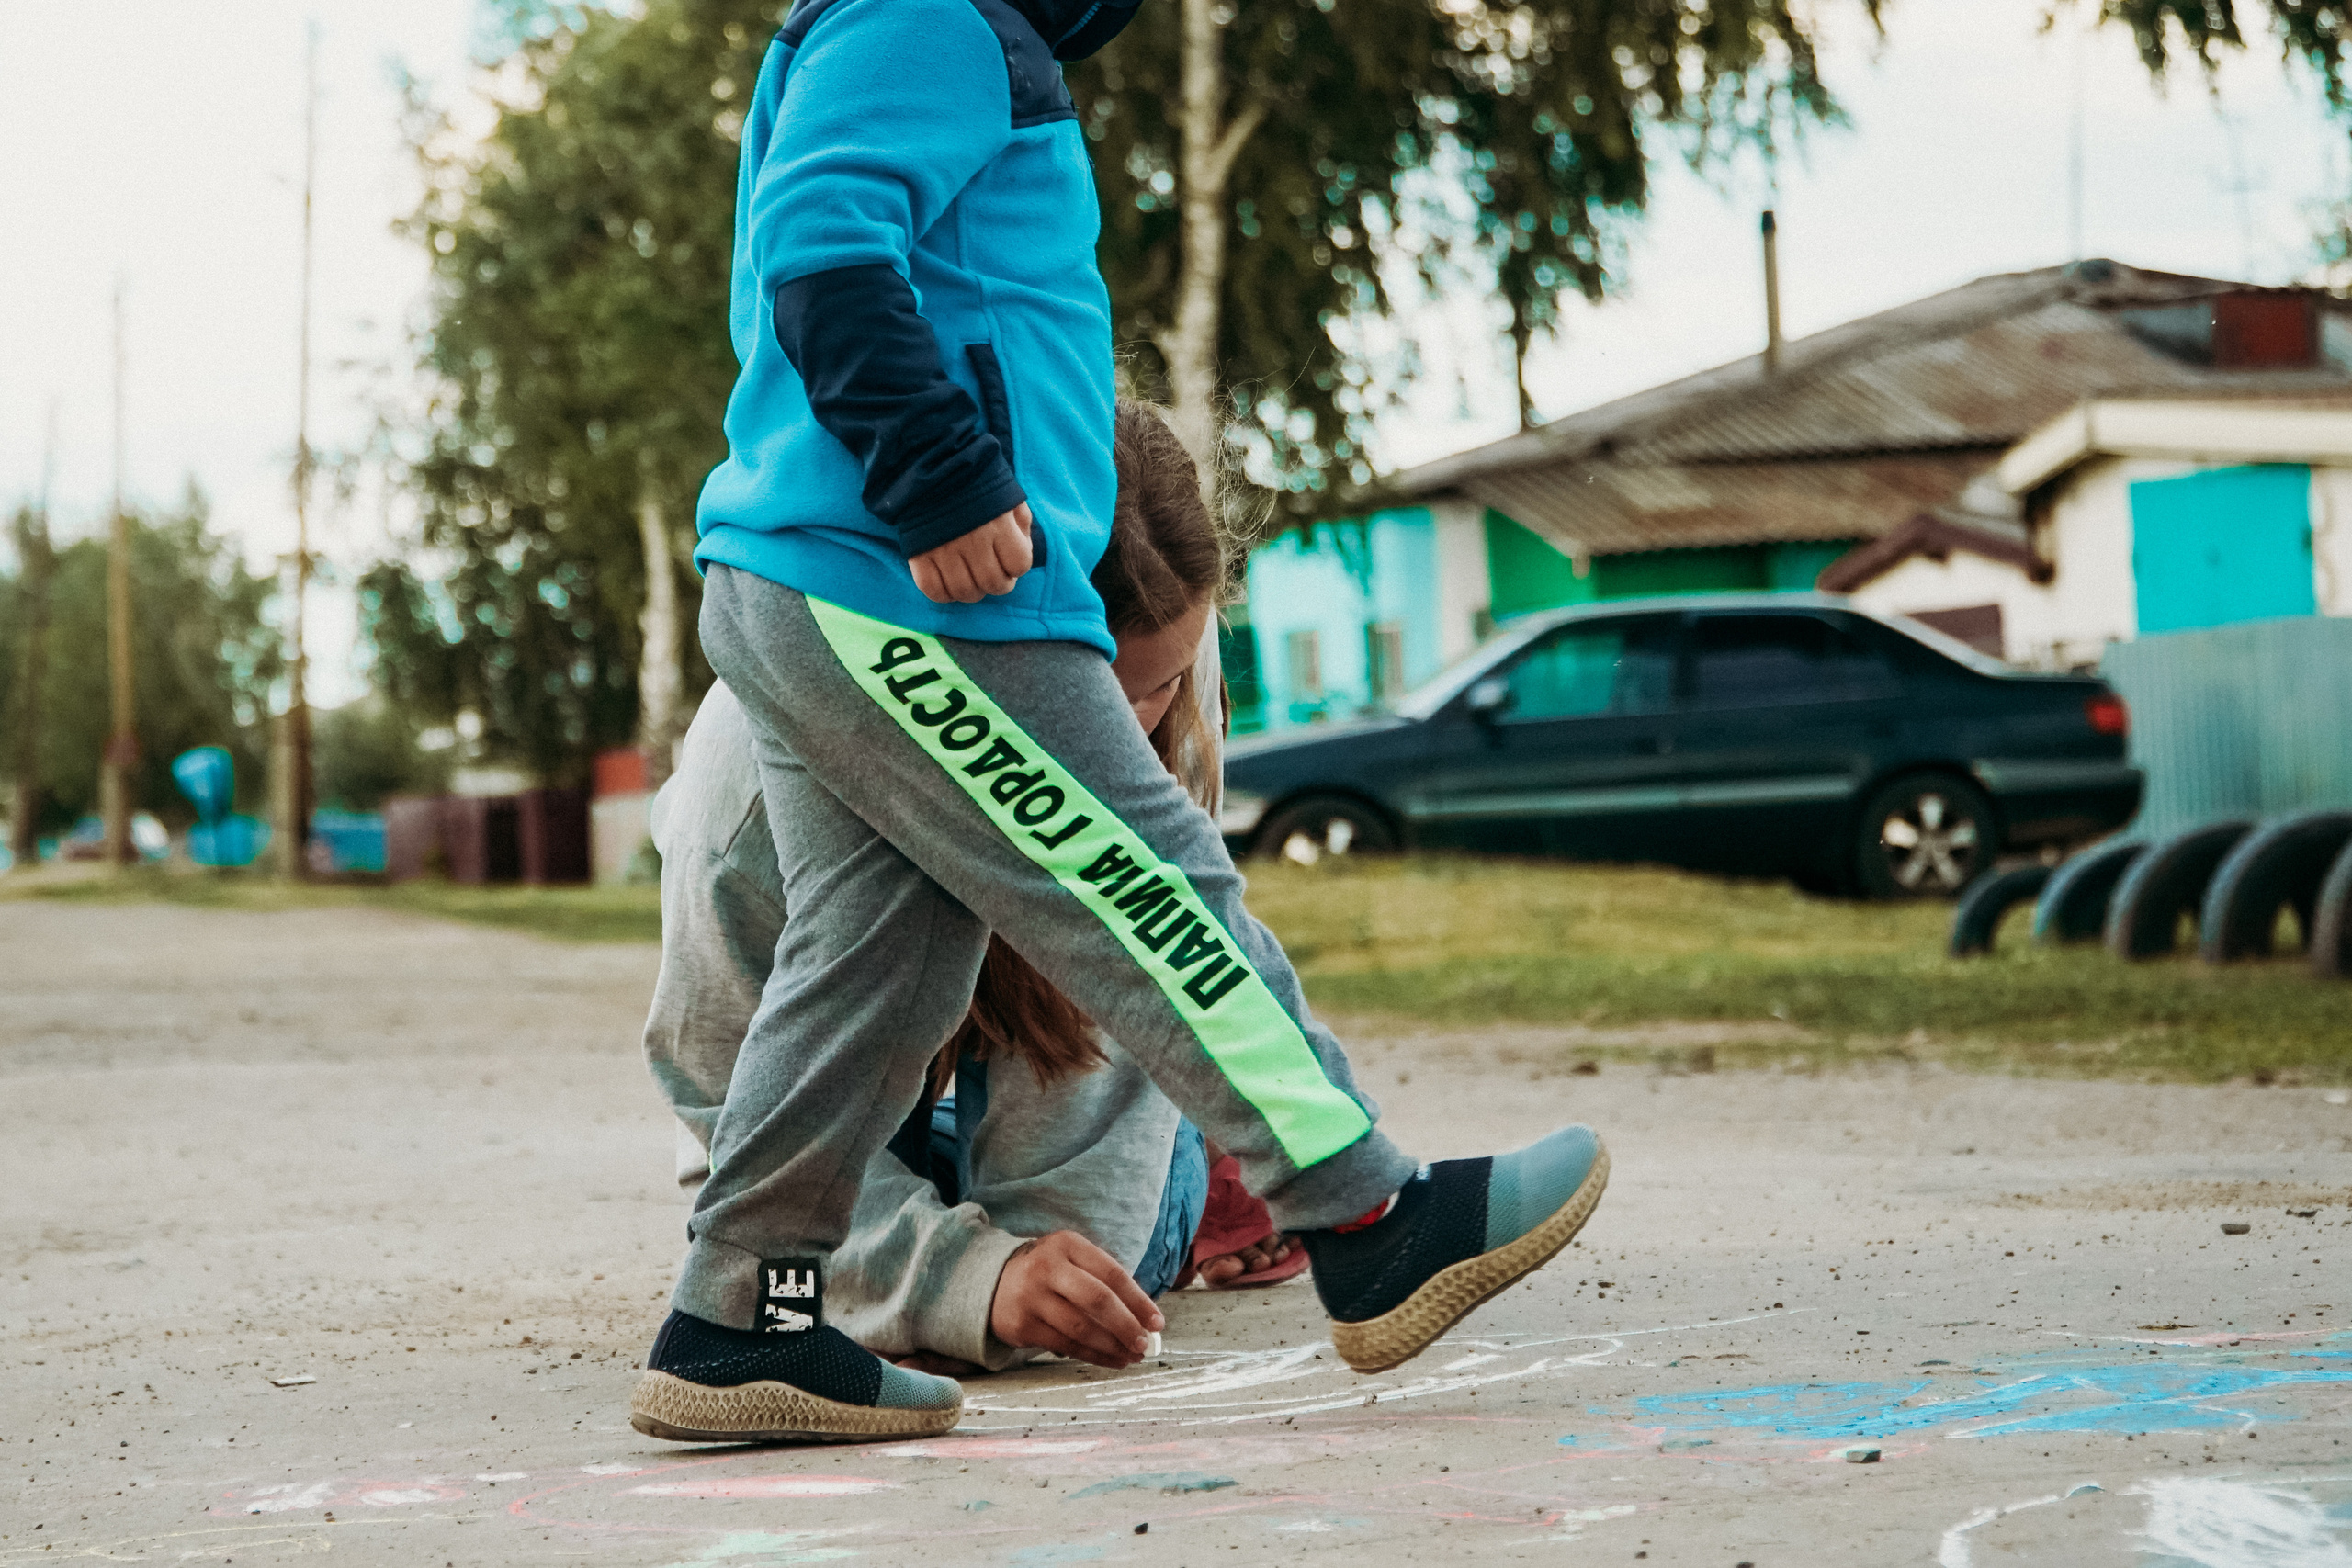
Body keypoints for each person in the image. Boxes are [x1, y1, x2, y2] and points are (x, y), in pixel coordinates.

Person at [633, 0, 1609, 1444]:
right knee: (1147, 886)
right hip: (919, 584)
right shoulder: (924, 10)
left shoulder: (942, 30)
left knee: (876, 968)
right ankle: (1370, 1212)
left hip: (838, 573)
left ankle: (739, 1316)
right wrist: (942, 474)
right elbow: (821, 244)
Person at [642, 405, 1295, 1381]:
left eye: (1151, 692)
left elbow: (1080, 1210)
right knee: (778, 1261)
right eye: (1090, 696)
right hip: (851, 1020)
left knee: (1111, 1269)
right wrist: (960, 1275)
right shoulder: (744, 786)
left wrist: (1035, 1271)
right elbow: (730, 1123)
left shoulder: (1162, 673)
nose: (1115, 740)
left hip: (1040, 1026)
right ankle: (1196, 1145)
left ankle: (1193, 1155)